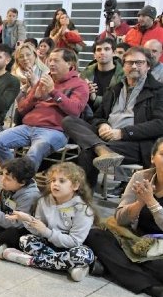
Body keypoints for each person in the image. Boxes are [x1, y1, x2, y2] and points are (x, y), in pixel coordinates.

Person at [64, 46, 163, 190]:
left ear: (148, 66)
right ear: (123, 66)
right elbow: (97, 117)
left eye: (139, 62)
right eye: (129, 63)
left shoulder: (158, 91)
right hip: (106, 136)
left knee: (88, 152)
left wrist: (122, 132)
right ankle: (101, 149)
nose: (134, 66)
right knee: (69, 120)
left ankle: (83, 202)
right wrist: (102, 125)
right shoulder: (115, 89)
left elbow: (160, 124)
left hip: (137, 143)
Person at [83, 138, 163, 297]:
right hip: (134, 239)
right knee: (95, 235)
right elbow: (120, 219)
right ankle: (152, 287)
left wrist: (152, 202)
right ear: (153, 158)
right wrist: (139, 203)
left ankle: (112, 267)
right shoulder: (141, 177)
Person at [0, 162, 96, 282]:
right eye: (53, 180)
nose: (55, 184)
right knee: (25, 240)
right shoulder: (44, 201)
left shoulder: (83, 209)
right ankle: (68, 268)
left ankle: (29, 260)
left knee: (84, 255)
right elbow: (38, 232)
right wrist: (28, 219)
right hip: (47, 245)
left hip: (69, 248)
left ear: (75, 186)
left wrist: (47, 232)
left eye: (62, 181)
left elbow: (74, 241)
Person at [0, 48, 90, 171]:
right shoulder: (44, 80)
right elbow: (21, 109)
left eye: (56, 60)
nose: (51, 63)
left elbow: (75, 111)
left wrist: (53, 91)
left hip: (55, 131)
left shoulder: (79, 84)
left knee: (34, 152)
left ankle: (18, 179)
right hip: (28, 127)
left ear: (69, 64)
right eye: (50, 60)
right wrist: (34, 97)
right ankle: (15, 175)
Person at [0, 157, 41, 250]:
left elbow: (16, 224)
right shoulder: (8, 187)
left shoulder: (30, 196)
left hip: (17, 226)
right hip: (4, 219)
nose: (2, 180)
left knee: (11, 234)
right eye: (3, 175)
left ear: (22, 182)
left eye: (8, 179)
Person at [80, 38, 124, 113]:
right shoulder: (85, 74)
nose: (102, 52)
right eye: (99, 50)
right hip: (87, 115)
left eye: (107, 49)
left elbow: (118, 103)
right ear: (94, 54)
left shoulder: (123, 75)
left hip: (112, 116)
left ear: (114, 53)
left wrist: (95, 98)